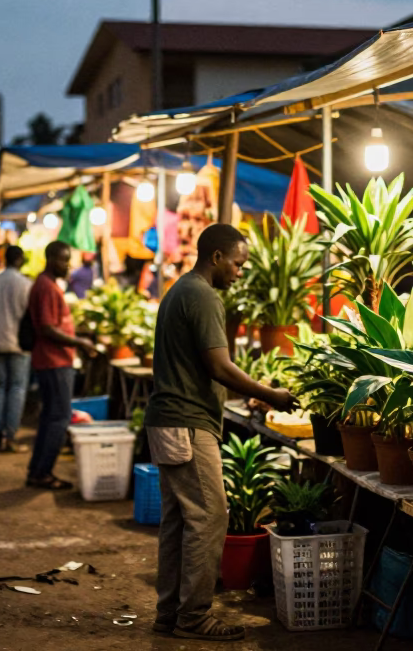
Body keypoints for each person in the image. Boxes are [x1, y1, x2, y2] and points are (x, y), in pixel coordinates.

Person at [146, 224, 296, 642]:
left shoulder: (181, 290)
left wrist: (246, 394)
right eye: (237, 264)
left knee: (180, 522)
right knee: (211, 517)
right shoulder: (203, 295)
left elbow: (202, 368)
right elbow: (219, 366)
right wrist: (272, 394)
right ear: (216, 258)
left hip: (169, 420)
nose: (240, 272)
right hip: (187, 425)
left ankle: (170, 614)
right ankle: (193, 618)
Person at [26, 241, 96, 488]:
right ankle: (42, 472)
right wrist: (80, 342)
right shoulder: (46, 287)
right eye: (64, 260)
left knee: (51, 416)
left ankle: (38, 470)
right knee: (59, 417)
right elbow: (46, 327)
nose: (67, 266)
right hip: (53, 361)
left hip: (53, 360)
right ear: (51, 259)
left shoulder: (47, 285)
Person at [0, 245, 37, 453]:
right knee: (17, 388)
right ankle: (11, 435)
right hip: (19, 345)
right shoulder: (26, 284)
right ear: (20, 260)